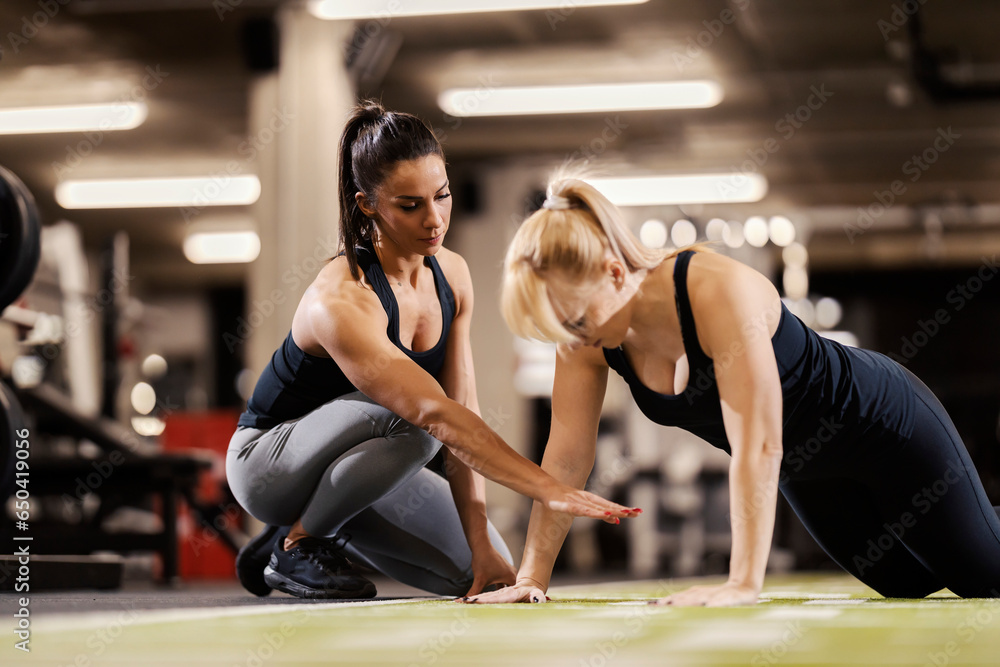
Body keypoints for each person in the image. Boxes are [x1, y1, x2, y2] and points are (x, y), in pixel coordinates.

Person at [464, 175, 1000, 607]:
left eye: (576, 321)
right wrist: (532, 578)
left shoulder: (714, 290)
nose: (571, 339)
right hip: (807, 465)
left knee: (985, 574)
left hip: (884, 426)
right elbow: (565, 457)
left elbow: (759, 444)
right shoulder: (585, 334)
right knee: (905, 586)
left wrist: (741, 583)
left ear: (612, 271)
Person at [226, 104, 638, 600]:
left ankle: (305, 526)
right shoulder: (342, 299)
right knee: (419, 421)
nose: (434, 218)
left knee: (491, 574)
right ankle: (299, 541)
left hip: (369, 465)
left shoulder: (453, 275)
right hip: (268, 465)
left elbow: (463, 410)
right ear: (367, 204)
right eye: (409, 205)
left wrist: (480, 535)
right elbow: (434, 413)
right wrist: (550, 487)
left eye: (441, 196)